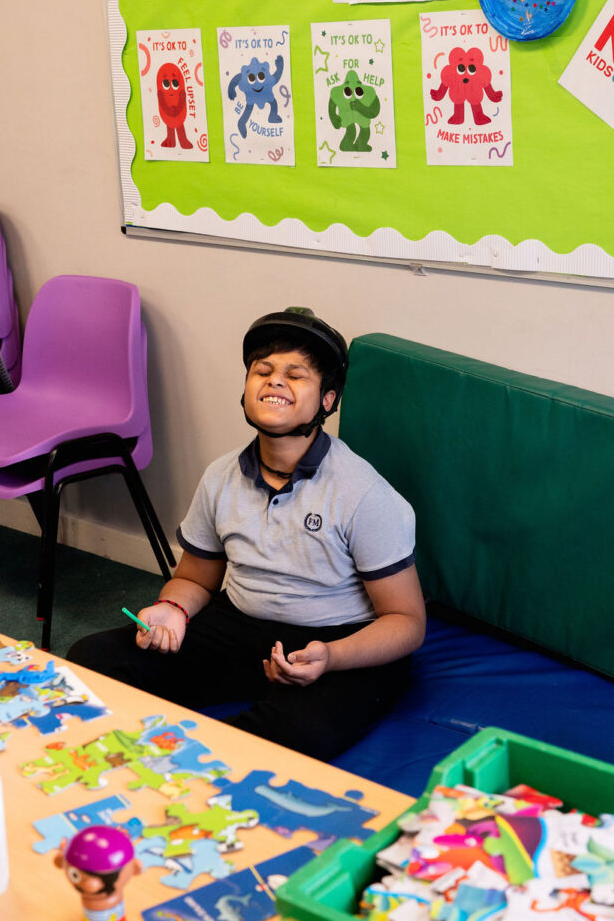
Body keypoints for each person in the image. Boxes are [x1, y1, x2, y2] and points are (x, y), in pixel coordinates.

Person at [67, 307, 426, 760]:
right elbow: (195, 579)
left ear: (328, 401)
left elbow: (407, 623)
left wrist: (331, 657)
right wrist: (171, 609)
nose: (275, 381)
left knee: (295, 734)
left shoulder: (364, 493)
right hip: (240, 625)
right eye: (264, 371)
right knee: (91, 660)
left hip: (339, 640)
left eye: (295, 375)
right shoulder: (220, 476)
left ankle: (189, 763)